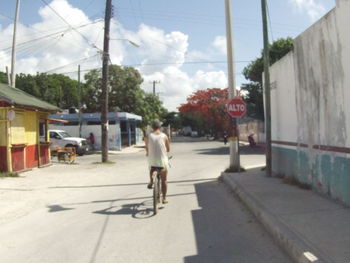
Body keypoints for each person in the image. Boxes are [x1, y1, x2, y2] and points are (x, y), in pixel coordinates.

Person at [145, 120, 170, 204]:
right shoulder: (164, 136)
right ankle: (164, 198)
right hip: (162, 161)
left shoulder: (148, 136)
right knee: (164, 180)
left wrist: (148, 153)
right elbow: (168, 149)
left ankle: (151, 181)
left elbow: (147, 148)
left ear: (152, 127)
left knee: (152, 167)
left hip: (152, 160)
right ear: (160, 127)